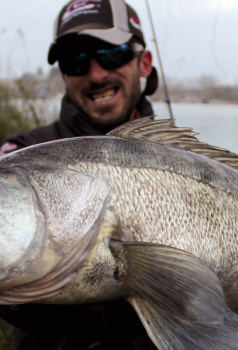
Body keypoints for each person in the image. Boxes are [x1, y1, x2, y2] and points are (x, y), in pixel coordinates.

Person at [0, 0, 159, 349]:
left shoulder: (192, 163)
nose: (96, 73)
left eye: (112, 53)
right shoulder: (20, 155)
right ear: (63, 74)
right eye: (75, 59)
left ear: (143, 62)